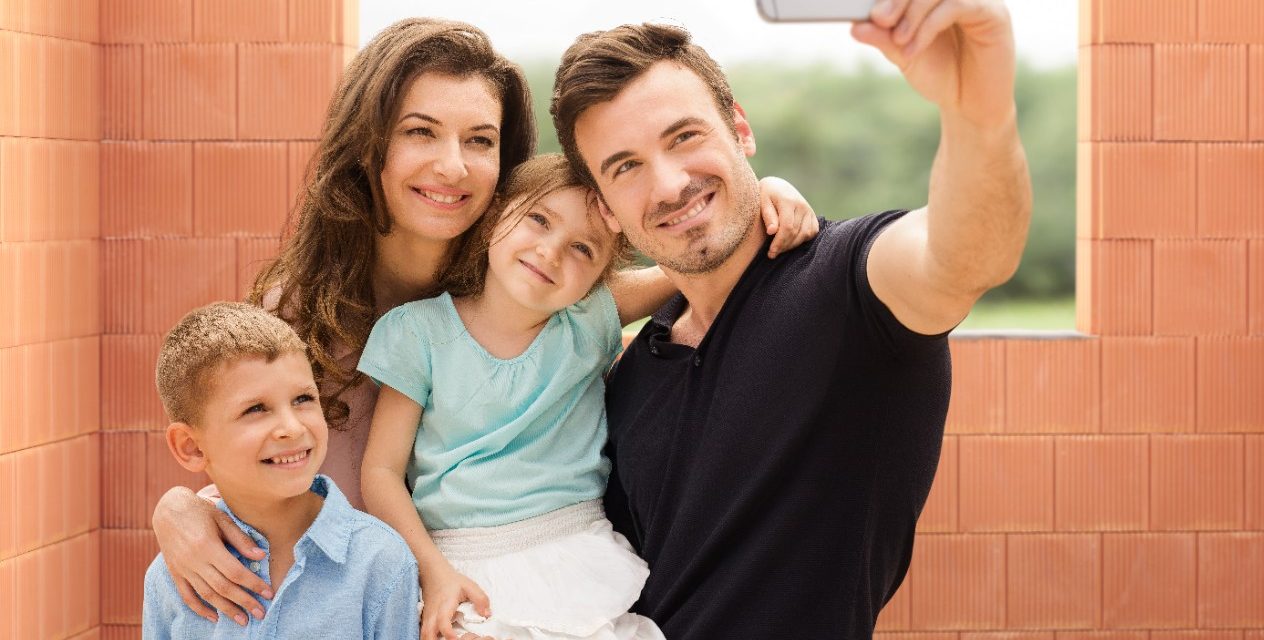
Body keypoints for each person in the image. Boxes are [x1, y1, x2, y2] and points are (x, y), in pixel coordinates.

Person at [148, 17, 818, 630]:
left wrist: (760, 194)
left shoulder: (535, 294)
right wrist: (183, 508)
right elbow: (262, 460)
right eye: (420, 132)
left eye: (480, 141)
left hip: (536, 589)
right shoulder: (298, 314)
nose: (452, 165)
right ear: (368, 145)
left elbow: (680, 263)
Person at [548, 1, 1032, 637]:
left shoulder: (849, 289)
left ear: (740, 131)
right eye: (626, 167)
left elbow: (965, 254)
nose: (668, 185)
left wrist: (981, 113)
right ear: (606, 208)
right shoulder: (629, 375)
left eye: (684, 137)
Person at [361, 153, 674, 640]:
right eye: (538, 219)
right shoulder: (418, 333)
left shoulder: (589, 321)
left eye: (583, 249)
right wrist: (432, 571)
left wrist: (767, 194)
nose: (550, 252)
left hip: (576, 551)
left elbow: (693, 261)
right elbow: (380, 471)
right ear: (493, 219)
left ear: (599, 278)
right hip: (457, 561)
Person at [143, 302, 419, 639]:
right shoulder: (173, 577)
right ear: (192, 447)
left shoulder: (380, 561)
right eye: (256, 409)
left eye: (303, 399)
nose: (291, 427)